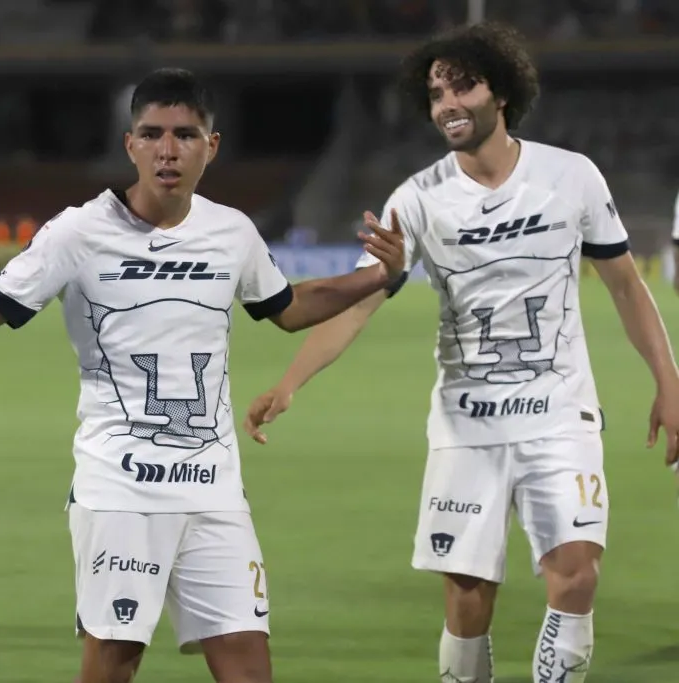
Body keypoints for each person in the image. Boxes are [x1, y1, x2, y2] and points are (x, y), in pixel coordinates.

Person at [0, 68, 405, 683]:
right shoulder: (78, 233)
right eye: (153, 133)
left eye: (186, 134)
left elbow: (290, 307)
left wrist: (380, 276)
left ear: (211, 146)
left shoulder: (231, 232)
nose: (169, 150)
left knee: (248, 665)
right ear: (130, 143)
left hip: (214, 489)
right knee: (112, 665)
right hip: (121, 492)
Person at [243, 22, 679, 683]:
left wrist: (668, 382)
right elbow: (362, 300)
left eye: (462, 86)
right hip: (467, 422)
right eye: (435, 93)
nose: (447, 103)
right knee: (468, 595)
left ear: (500, 92)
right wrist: (292, 380)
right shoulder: (416, 199)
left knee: (577, 570)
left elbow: (625, 284)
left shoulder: (571, 176)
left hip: (559, 411)